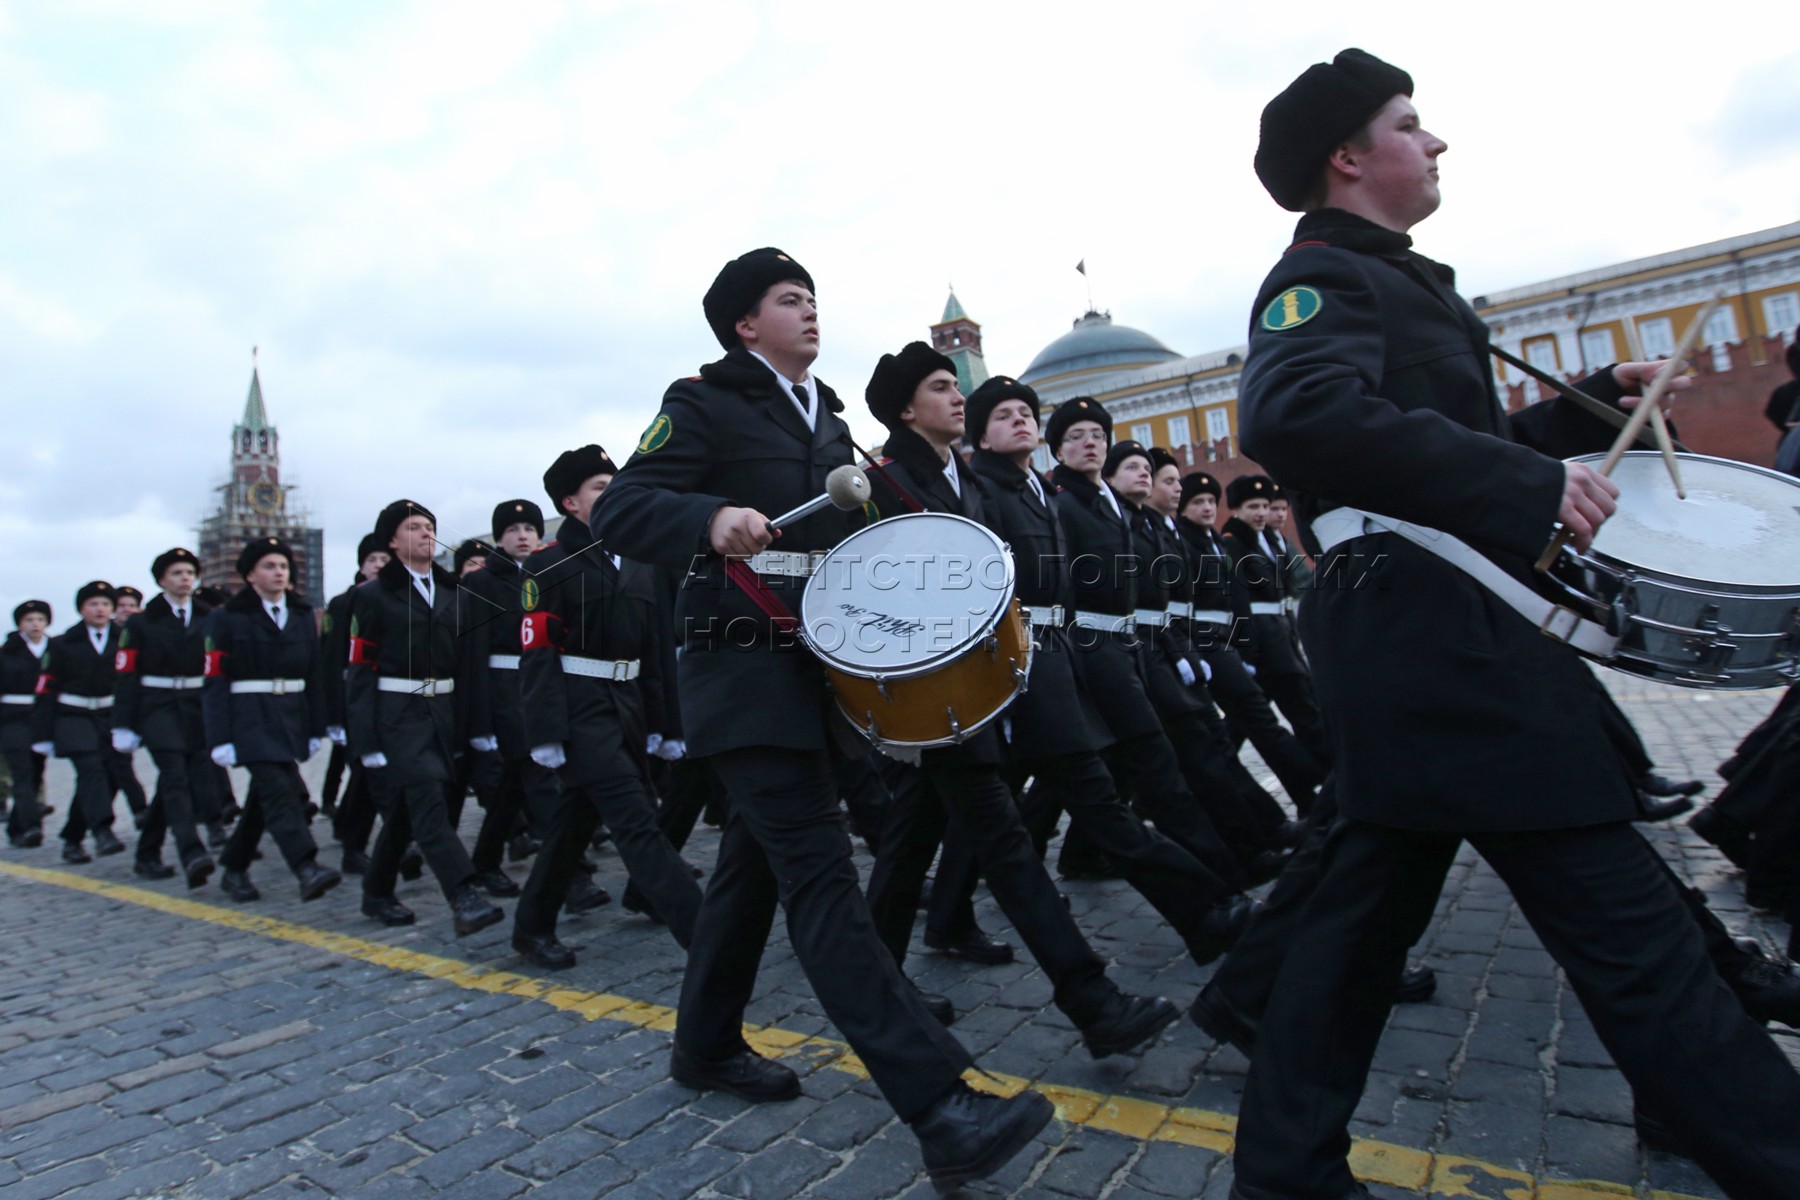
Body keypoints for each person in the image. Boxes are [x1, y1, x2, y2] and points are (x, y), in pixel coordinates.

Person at [1227, 48, 1800, 1200]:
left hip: (1441, 630)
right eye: (1411, 123)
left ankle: (1285, 1168)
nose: (1434, 142)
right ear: (1350, 156)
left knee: (1360, 917)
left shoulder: (1402, 282)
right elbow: (1298, 411)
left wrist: (1568, 427)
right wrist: (1523, 483)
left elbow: (1436, 449)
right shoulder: (1324, 281)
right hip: (1432, 636)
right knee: (1616, 909)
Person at [593, 248, 1054, 1193]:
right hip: (738, 666)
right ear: (743, 325)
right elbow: (626, 507)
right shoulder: (703, 400)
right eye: (789, 300)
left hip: (813, 669)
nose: (810, 312)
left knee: (751, 872)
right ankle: (939, 1104)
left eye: (813, 299)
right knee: (820, 878)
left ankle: (706, 1044)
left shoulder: (831, 416)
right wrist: (711, 515)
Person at [856, 343, 1183, 1050]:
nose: (956, 398)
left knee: (922, 836)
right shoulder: (884, 480)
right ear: (908, 410)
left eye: (954, 386)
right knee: (998, 840)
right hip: (924, 691)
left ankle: (878, 975)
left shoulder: (959, 480)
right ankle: (1091, 999)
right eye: (942, 388)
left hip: (971, 684)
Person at [1046, 398, 1251, 889]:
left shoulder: (1105, 504)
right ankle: (1220, 877)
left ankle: (1080, 856)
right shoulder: (1063, 503)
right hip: (1093, 647)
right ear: (1055, 448)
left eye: (1097, 432)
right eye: (1075, 435)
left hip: (1134, 645)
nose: (1090, 441)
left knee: (1111, 765)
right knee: (1153, 761)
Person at [512, 445, 703, 969]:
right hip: (580, 705)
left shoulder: (642, 560)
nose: (613, 493)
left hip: (629, 702)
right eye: (599, 487)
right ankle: (706, 934)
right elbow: (537, 652)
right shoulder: (549, 565)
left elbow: (658, 648)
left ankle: (530, 927)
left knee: (574, 822)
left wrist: (666, 724)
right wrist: (545, 730)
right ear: (570, 503)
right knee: (637, 818)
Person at [347, 499, 503, 937]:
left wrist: (479, 727)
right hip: (397, 713)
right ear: (393, 541)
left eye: (430, 526)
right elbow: (359, 672)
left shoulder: (455, 592)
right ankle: (464, 894)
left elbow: (471, 665)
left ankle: (376, 892)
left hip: (444, 710)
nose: (425, 534)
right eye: (414, 527)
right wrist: (366, 741)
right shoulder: (371, 597)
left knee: (407, 809)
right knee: (430, 801)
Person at [1173, 471, 1326, 809]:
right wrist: (1247, 650)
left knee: (1246, 724)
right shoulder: (1217, 542)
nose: (1207, 507)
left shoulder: (1221, 539)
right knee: (1258, 722)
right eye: (1198, 502)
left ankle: (1310, 794)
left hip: (1248, 639)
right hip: (1212, 643)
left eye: (1211, 501)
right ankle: (1318, 783)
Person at [201, 538, 340, 903]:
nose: (279, 572)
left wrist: (314, 727)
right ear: (250, 575)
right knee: (281, 793)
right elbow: (215, 680)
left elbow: (314, 675)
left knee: (263, 801)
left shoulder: (300, 616)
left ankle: (234, 867)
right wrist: (219, 738)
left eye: (283, 566)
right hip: (249, 718)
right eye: (268, 566)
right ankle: (306, 866)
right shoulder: (226, 618)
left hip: (290, 718)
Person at [460, 499, 553, 898]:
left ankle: (484, 862)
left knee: (511, 785)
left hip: (541, 683)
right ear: (499, 538)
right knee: (538, 777)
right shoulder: (481, 583)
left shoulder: (548, 577)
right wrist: (479, 722)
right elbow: (473, 656)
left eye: (530, 529)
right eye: (514, 530)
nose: (523, 536)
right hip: (504, 690)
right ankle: (572, 873)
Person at [112, 548, 218, 887]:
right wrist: (123, 724)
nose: (184, 578)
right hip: (157, 704)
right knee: (174, 776)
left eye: (189, 572)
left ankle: (147, 853)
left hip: (196, 704)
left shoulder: (209, 618)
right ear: (161, 580)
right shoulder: (141, 623)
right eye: (176, 573)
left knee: (183, 779)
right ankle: (191, 851)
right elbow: (125, 674)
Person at [1219, 474, 1329, 768]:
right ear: (1237, 509)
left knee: (1244, 722)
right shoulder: (1233, 544)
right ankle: (1329, 777)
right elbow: (1239, 602)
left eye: (1265, 506)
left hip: (1281, 639)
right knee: (1303, 714)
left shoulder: (1268, 539)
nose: (1263, 513)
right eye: (1253, 506)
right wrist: (1247, 650)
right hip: (1266, 644)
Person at [30, 581, 127, 862]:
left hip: (109, 715)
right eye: (93, 604)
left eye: (106, 604)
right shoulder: (61, 644)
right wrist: (41, 734)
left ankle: (72, 838)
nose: (100, 609)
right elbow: (46, 689)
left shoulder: (124, 639)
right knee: (91, 769)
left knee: (108, 777)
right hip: (72, 715)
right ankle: (103, 831)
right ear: (82, 609)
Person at [323, 533, 389, 873]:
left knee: (373, 775)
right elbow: (334, 661)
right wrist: (334, 715)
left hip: (391, 696)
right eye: (372, 561)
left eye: (384, 560)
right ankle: (355, 846)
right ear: (361, 566)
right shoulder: (343, 603)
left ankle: (351, 829)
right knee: (366, 772)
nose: (379, 566)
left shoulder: (397, 597)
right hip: (356, 697)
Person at [3, 600, 53, 847]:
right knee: (22, 773)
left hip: (42, 719)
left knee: (35, 773)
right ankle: (33, 826)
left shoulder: (55, 649)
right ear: (20, 625)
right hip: (12, 719)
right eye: (29, 620)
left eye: (40, 619)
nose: (35, 624)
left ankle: (16, 827)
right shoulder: (7, 652)